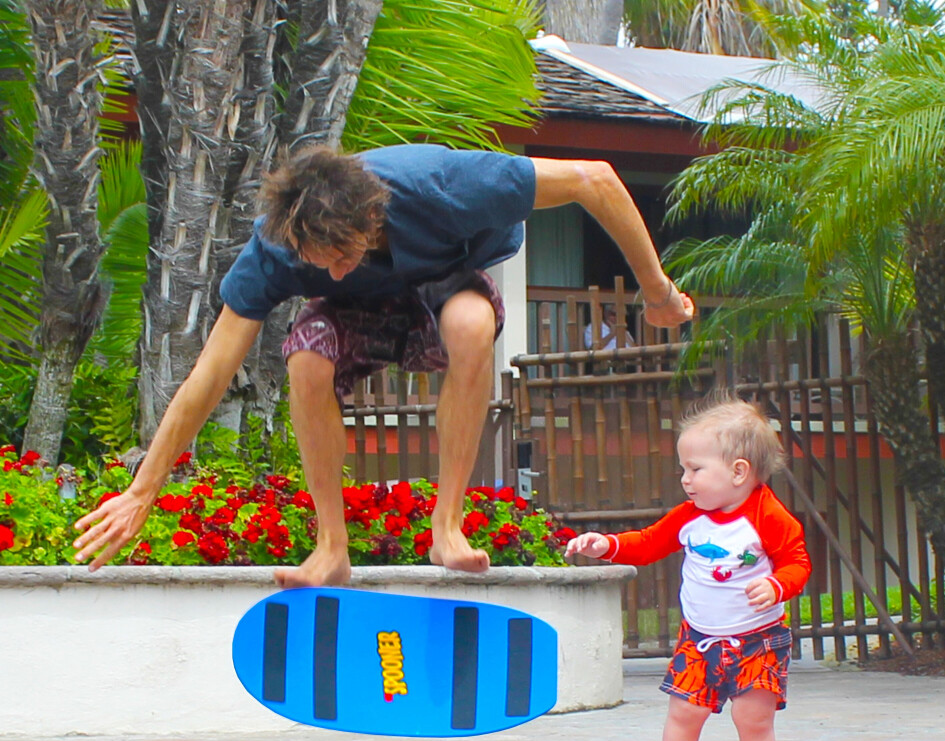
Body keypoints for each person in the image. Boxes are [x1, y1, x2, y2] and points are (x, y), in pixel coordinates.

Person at [72, 143, 694, 588]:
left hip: (445, 284)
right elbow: (207, 375)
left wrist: (658, 291)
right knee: (307, 356)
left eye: (344, 254)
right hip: (354, 316)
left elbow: (597, 179)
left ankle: (446, 525)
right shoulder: (275, 248)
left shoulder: (445, 183)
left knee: (472, 325)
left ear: (372, 217)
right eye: (320, 261)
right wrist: (141, 491)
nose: (336, 267)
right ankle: (331, 547)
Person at [566, 394, 811, 741]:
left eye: (695, 469)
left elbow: (798, 563)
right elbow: (650, 543)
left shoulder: (768, 517)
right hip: (698, 639)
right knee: (683, 714)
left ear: (738, 471)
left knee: (752, 720)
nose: (686, 479)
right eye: (684, 469)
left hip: (759, 640)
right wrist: (608, 545)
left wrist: (777, 585)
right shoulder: (689, 515)